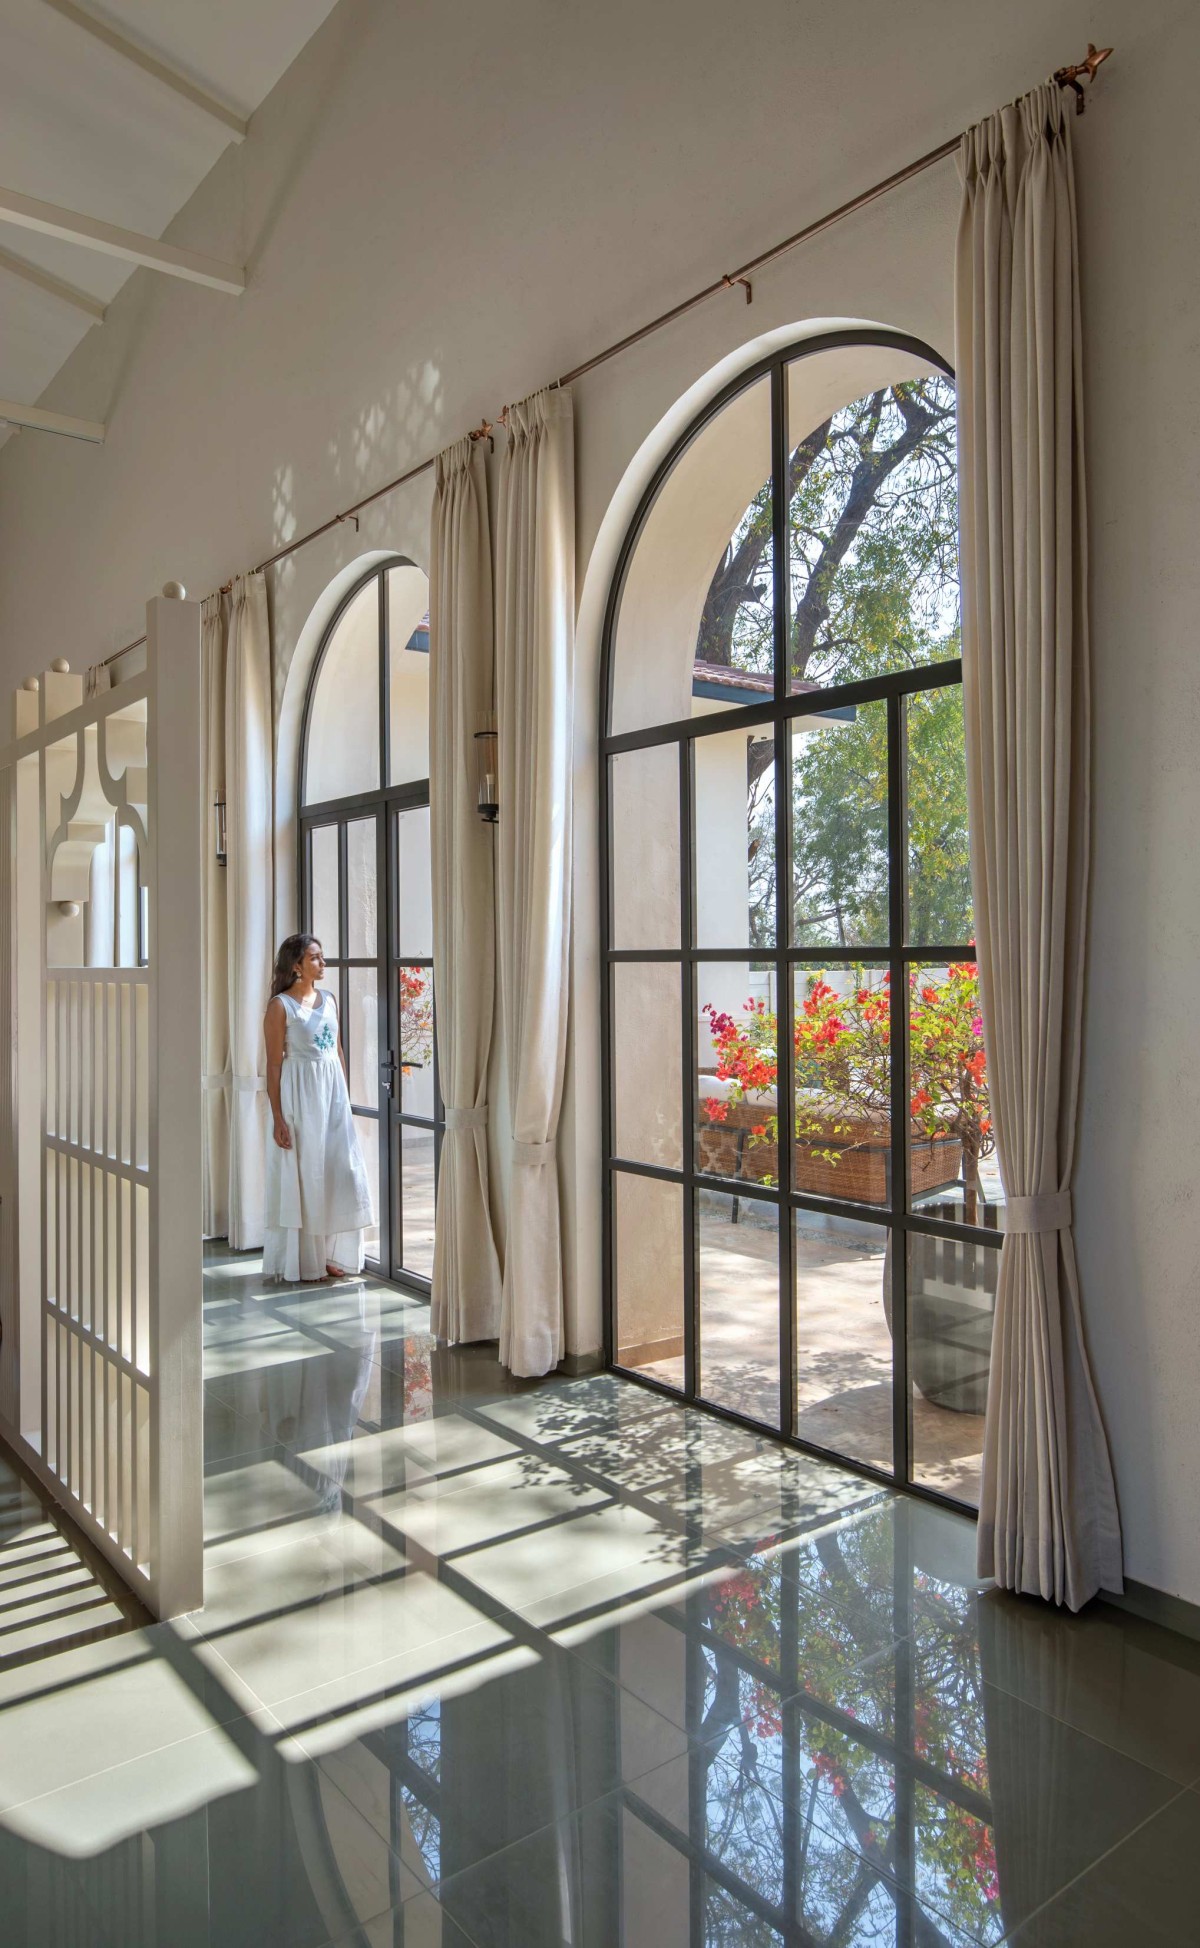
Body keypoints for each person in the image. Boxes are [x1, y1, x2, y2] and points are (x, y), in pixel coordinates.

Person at [262, 933, 375, 1283]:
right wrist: (278, 1117)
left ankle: (326, 1253)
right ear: (296, 965)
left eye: (321, 957)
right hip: (300, 1099)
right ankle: (304, 1260)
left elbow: (337, 1051)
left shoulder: (329, 999)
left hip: (332, 1097)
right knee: (306, 1174)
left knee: (338, 1172)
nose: (323, 963)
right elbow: (274, 1065)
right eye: (315, 958)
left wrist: (343, 1096)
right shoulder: (280, 1006)